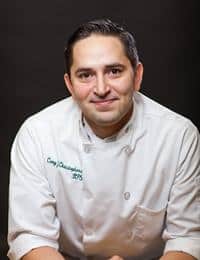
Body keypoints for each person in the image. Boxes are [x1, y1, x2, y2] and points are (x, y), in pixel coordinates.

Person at [7, 19, 200, 260]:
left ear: (137, 76)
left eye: (114, 71)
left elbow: (187, 239)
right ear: (70, 85)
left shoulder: (179, 136)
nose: (100, 88)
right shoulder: (37, 133)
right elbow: (31, 237)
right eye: (85, 75)